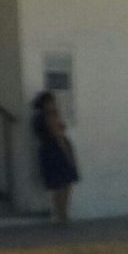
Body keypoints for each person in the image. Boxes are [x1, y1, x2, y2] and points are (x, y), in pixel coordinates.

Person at [32, 90, 79, 223]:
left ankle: (58, 213)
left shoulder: (37, 117)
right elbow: (57, 134)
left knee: (56, 185)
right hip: (56, 150)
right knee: (65, 183)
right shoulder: (51, 114)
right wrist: (68, 155)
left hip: (45, 151)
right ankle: (63, 213)